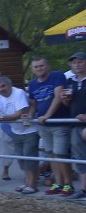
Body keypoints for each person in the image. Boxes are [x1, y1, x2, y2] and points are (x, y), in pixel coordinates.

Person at [28, 57, 73, 196]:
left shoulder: (57, 76)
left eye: (41, 65)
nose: (39, 69)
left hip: (59, 122)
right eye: (36, 67)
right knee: (51, 154)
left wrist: (47, 115)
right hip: (43, 124)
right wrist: (30, 116)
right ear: (32, 69)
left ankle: (68, 184)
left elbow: (58, 97)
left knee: (60, 153)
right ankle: (58, 183)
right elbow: (33, 103)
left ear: (47, 66)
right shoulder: (32, 84)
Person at [0, 76, 39, 194]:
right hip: (15, 131)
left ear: (10, 85)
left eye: (3, 86)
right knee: (22, 158)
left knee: (29, 157)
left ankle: (33, 184)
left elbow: (20, 113)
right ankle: (27, 181)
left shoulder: (18, 93)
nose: (1, 89)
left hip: (29, 130)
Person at [61, 51, 86, 200]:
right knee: (80, 157)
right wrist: (64, 99)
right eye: (74, 62)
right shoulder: (71, 82)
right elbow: (68, 104)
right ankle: (83, 189)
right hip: (75, 124)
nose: (77, 64)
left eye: (80, 61)